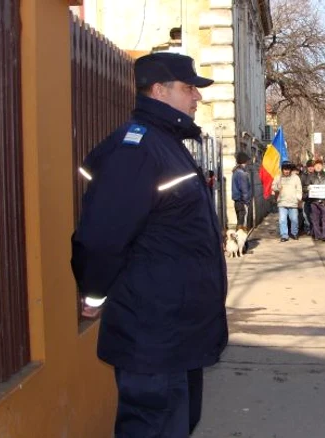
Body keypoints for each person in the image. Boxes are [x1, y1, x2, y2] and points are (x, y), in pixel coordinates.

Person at [71, 52, 227, 437]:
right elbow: (102, 235)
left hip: (176, 337)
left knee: (177, 424)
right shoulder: (138, 150)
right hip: (154, 338)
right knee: (154, 427)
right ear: (160, 90)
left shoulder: (166, 145)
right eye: (189, 88)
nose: (197, 97)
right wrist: (93, 293)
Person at [273, 161, 302, 241]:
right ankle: (284, 235)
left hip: (293, 202)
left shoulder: (295, 177)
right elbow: (273, 187)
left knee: (294, 219)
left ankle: (294, 233)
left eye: (288, 169)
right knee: (282, 220)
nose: (287, 171)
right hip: (282, 202)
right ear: (282, 170)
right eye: (285, 169)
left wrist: (298, 198)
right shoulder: (278, 177)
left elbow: (299, 189)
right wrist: (277, 188)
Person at [307, 159, 325, 241]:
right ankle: (317, 235)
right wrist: (307, 188)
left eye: (320, 165)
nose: (318, 166)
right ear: (314, 166)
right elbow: (304, 187)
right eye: (316, 165)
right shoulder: (310, 176)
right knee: (315, 219)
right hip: (314, 201)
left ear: (322, 166)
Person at [232, 151, 251, 230]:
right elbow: (244, 189)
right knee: (242, 223)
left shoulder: (236, 172)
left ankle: (242, 241)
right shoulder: (241, 173)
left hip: (237, 201)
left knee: (240, 221)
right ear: (245, 161)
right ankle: (241, 240)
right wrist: (246, 201)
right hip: (241, 201)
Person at [300, 159, 315, 236]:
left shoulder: (317, 174)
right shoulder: (303, 175)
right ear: (307, 167)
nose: (311, 168)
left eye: (312, 166)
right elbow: (300, 187)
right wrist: (306, 189)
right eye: (309, 167)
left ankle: (314, 229)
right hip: (306, 198)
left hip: (315, 199)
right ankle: (308, 229)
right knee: (306, 215)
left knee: (314, 215)